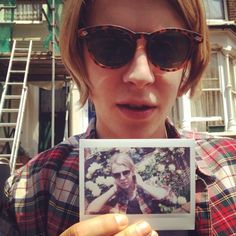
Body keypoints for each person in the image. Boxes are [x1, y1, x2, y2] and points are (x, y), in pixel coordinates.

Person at [0, 0, 235, 235]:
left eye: (168, 47)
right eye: (110, 45)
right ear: (79, 60)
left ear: (189, 65)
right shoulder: (26, 193)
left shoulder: (231, 168)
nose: (140, 75)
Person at [86, 152, 177, 215]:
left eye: (125, 172)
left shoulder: (146, 187)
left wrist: (142, 184)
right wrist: (113, 189)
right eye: (117, 175)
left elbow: (172, 200)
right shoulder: (116, 196)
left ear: (132, 171)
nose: (122, 178)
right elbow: (90, 211)